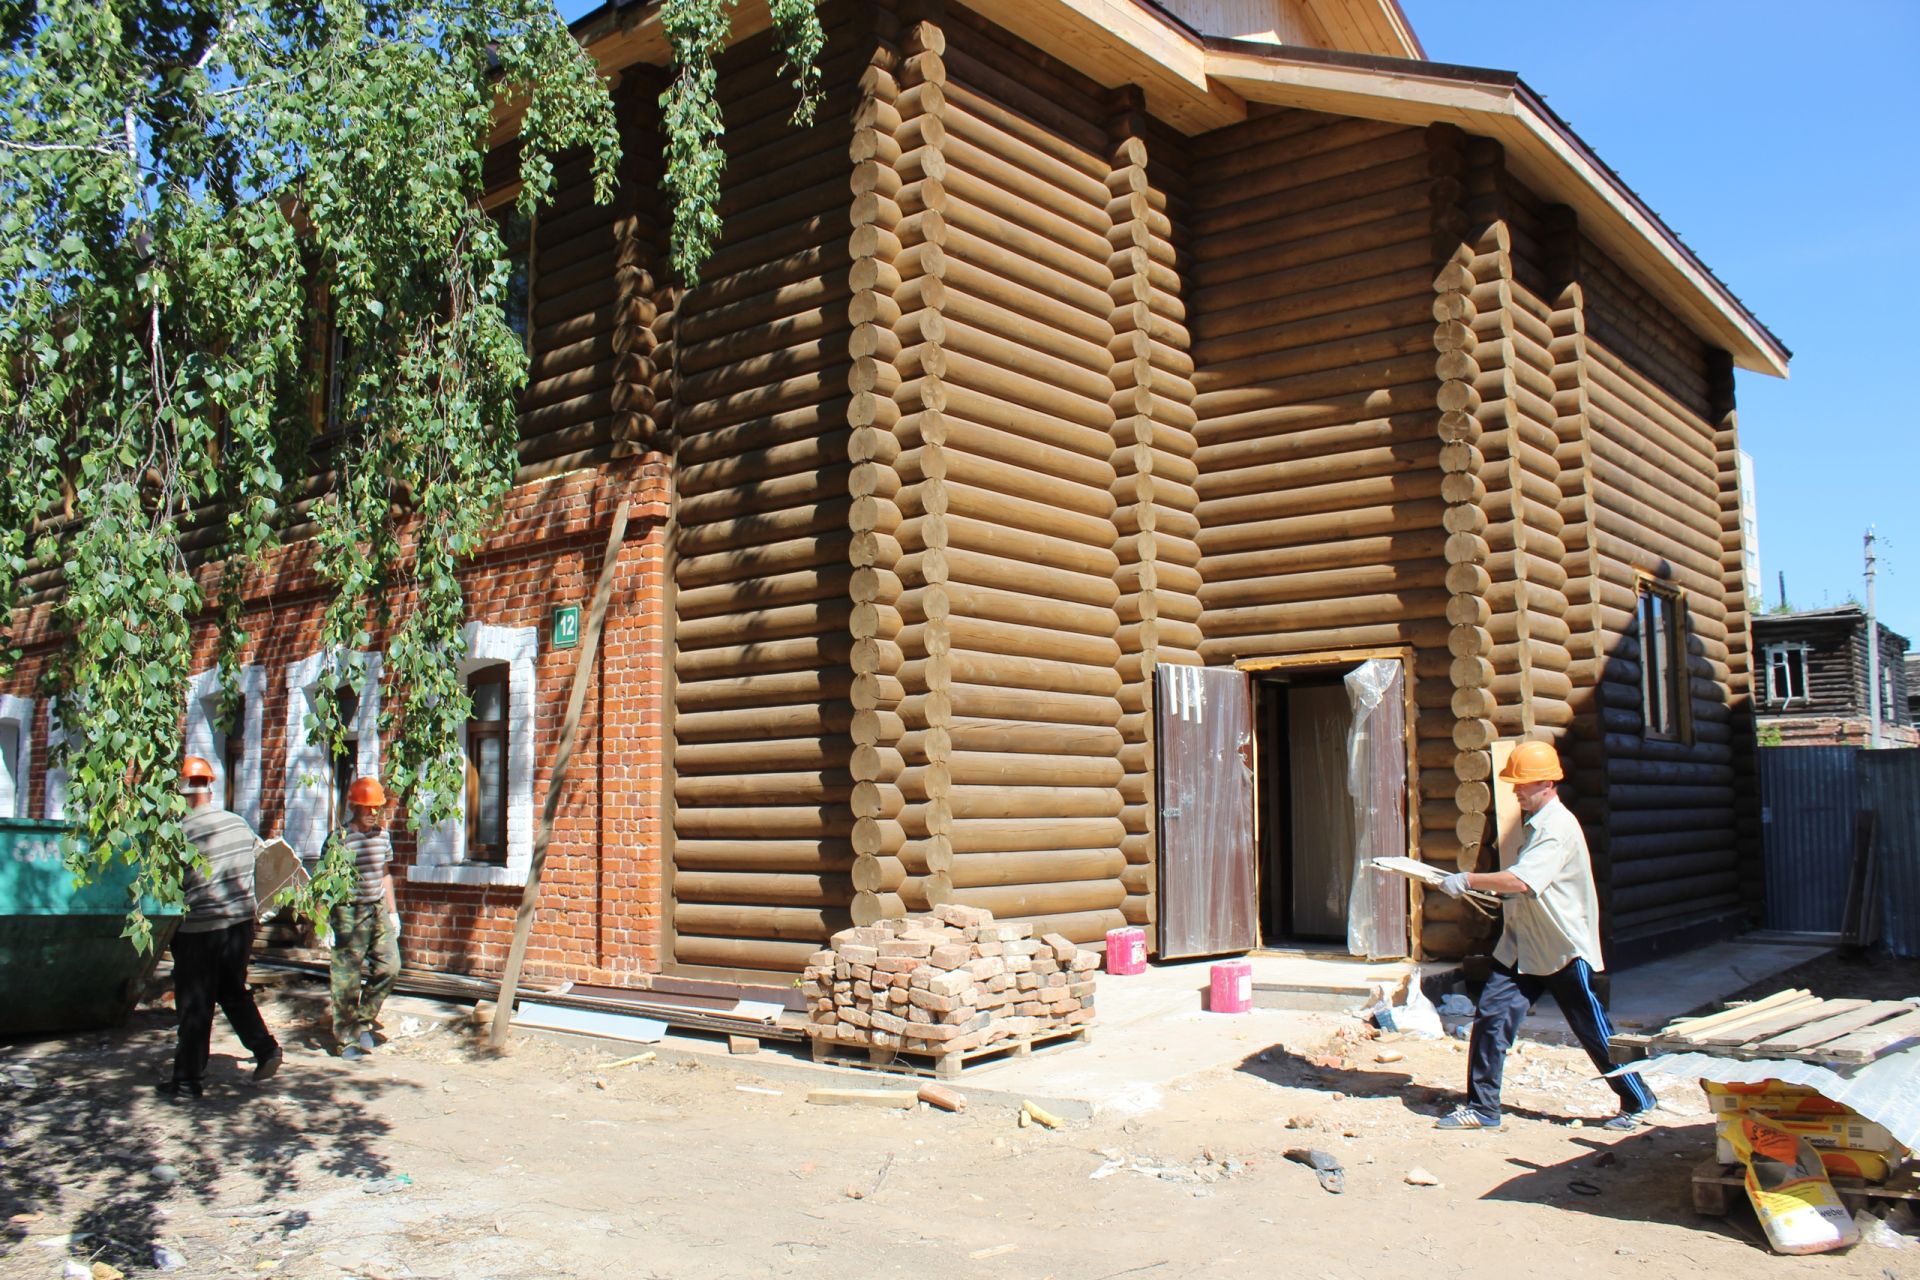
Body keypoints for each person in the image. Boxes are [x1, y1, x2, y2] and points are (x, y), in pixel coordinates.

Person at [1433, 739, 1656, 1132]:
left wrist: (1468, 880)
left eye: (1522, 783)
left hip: (1562, 949)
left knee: (1594, 1030)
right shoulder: (1535, 825)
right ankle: (1483, 1108)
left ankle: (1638, 1098)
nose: (1516, 790)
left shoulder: (1557, 827)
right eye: (1515, 783)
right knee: (1491, 1017)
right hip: (1523, 947)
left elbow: (1521, 881)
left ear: (1547, 783)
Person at [164, 755, 282, 1097]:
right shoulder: (238, 823)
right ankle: (266, 1049)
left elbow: (171, 887)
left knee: (195, 1003)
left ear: (181, 791)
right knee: (232, 991)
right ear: (210, 788)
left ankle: (186, 1081)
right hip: (239, 928)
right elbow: (261, 867)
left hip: (200, 929)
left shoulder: (181, 832)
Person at [327, 776, 401, 1062]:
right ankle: (346, 1039)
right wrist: (324, 923)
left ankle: (362, 1022)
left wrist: (393, 913)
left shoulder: (382, 836)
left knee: (390, 966)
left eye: (377, 809)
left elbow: (384, 874)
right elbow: (325, 882)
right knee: (347, 978)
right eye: (367, 809)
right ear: (355, 808)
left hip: (377, 907)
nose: (373, 814)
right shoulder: (340, 840)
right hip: (348, 911)